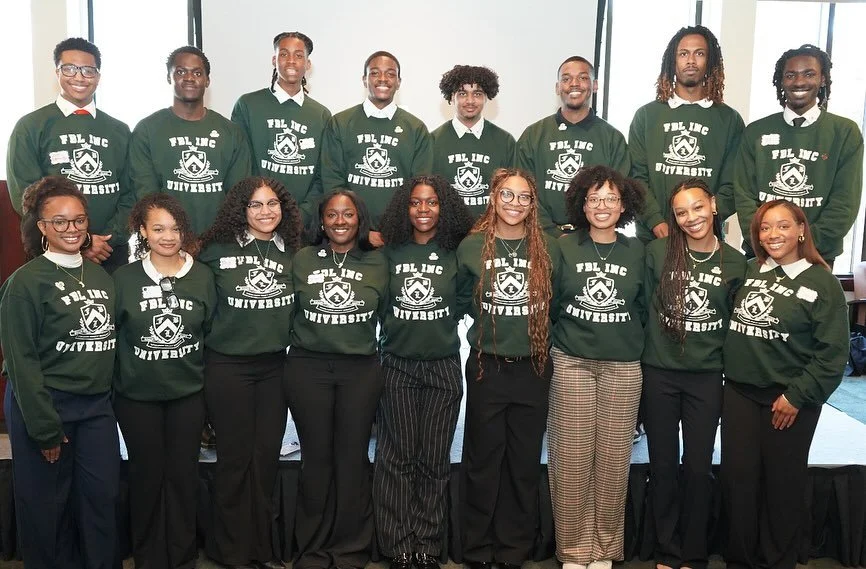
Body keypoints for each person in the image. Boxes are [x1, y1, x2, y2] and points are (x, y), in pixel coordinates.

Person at [0, 176, 119, 569]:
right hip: (46, 406)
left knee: (101, 501)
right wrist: (44, 426)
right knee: (47, 510)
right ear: (42, 227)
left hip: (96, 409)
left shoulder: (101, 276)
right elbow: (21, 362)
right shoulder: (24, 283)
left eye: (79, 220)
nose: (72, 229)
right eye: (60, 222)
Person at [722, 199, 848, 569]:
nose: (773, 234)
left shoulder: (821, 282)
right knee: (738, 484)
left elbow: (832, 354)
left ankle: (778, 560)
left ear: (801, 230)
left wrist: (797, 396)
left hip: (790, 400)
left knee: (782, 486)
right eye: (764, 228)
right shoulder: (748, 271)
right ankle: (740, 560)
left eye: (782, 226)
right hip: (741, 394)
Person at [456, 168, 560, 569]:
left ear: (533, 203)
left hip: (533, 367)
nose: (514, 204)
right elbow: (465, 300)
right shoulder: (471, 247)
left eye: (523, 197)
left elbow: (560, 299)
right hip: (488, 367)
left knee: (522, 462)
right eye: (507, 195)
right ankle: (478, 550)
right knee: (483, 462)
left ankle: (514, 549)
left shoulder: (549, 248)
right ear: (493, 198)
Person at [642, 179, 746, 569]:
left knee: (699, 467)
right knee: (663, 465)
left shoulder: (736, 262)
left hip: (706, 377)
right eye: (681, 212)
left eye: (698, 207)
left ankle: (693, 551)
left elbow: (738, 326)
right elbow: (642, 308)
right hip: (660, 373)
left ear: (714, 206)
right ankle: (667, 550)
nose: (691, 218)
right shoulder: (656, 253)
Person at [198, 176, 301, 569]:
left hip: (275, 368)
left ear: (283, 208)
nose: (265, 211)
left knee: (265, 461)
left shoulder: (293, 251)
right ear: (241, 210)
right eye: (256, 205)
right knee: (234, 462)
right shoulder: (215, 251)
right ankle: (230, 552)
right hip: (227, 367)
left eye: (272, 203)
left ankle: (262, 550)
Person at [547, 165, 646, 569]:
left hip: (623, 366)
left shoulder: (639, 251)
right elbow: (549, 305)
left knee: (612, 460)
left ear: (623, 205)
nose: (601, 206)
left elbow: (645, 307)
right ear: (580, 205)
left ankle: (604, 549)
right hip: (572, 362)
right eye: (593, 199)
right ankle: (573, 550)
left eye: (610, 199)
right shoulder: (563, 246)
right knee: (570, 459)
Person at [285, 189, 388, 569]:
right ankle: (312, 547)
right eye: (332, 214)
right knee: (316, 460)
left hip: (359, 371)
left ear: (360, 219)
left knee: (352, 459)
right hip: (307, 369)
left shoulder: (379, 261)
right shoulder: (301, 259)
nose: (340, 221)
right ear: (322, 220)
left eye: (348, 214)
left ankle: (350, 549)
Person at [374, 175, 474, 569]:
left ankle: (428, 545)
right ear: (404, 208)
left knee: (434, 460)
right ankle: (397, 544)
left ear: (443, 207)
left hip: (443, 366)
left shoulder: (456, 252)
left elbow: (466, 300)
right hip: (396, 364)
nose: (423, 210)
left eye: (431, 203)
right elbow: (378, 302)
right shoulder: (389, 253)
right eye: (415, 203)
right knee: (396, 458)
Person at [113, 192, 216, 569]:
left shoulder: (203, 276)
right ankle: (149, 557)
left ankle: (182, 555)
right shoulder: (123, 278)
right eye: (158, 228)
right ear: (143, 231)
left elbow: (210, 331)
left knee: (183, 476)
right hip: (136, 397)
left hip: (187, 395)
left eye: (174, 228)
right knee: (146, 476)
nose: (168, 236)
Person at [6, 37, 132, 271]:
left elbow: (131, 193)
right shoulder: (31, 126)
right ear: (57, 72)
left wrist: (107, 238)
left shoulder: (120, 130)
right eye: (69, 68)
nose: (79, 77)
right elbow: (25, 195)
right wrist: (80, 240)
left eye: (88, 70)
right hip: (52, 251)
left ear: (98, 77)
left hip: (109, 252)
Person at [733, 44, 864, 263]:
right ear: (781, 81)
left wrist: (803, 248)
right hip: (761, 255)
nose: (799, 82)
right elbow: (744, 197)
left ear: (822, 79)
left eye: (809, 74)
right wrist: (767, 243)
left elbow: (844, 204)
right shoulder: (756, 132)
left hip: (817, 256)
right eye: (791, 75)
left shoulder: (844, 132)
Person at [628, 25, 745, 243]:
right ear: (673, 61)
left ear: (710, 62)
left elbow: (733, 185)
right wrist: (656, 222)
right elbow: (637, 178)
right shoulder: (646, 116)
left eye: (699, 54)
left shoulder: (729, 120)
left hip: (707, 239)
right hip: (653, 239)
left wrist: (701, 223)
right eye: (683, 54)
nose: (690, 61)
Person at [130, 45, 252, 235]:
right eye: (180, 72)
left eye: (197, 72)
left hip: (219, 245)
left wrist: (211, 241)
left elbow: (237, 199)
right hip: (166, 243)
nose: (189, 78)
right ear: (169, 77)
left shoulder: (231, 133)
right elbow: (147, 198)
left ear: (207, 80)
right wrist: (174, 236)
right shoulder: (147, 130)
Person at [320, 51, 433, 246]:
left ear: (399, 82)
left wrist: (391, 232)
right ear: (364, 80)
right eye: (374, 73)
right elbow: (332, 182)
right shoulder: (340, 123)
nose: (383, 79)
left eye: (390, 74)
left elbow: (418, 189)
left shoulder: (416, 129)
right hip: (348, 237)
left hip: (398, 238)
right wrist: (360, 230)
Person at [517, 56, 629, 236]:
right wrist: (551, 231)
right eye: (566, 79)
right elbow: (522, 191)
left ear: (595, 85)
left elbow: (617, 196)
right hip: (541, 237)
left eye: (583, 78)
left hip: (592, 239)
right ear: (557, 87)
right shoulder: (533, 136)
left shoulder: (613, 139)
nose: (574, 84)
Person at [232, 31, 331, 227]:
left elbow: (322, 176)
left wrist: (301, 214)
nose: (291, 61)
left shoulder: (321, 115)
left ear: (308, 64)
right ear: (274, 60)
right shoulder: (248, 105)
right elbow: (239, 165)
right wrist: (261, 209)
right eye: (284, 54)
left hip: (300, 224)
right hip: (256, 219)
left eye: (299, 55)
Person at [431, 65, 516, 219]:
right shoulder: (432, 141)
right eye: (462, 93)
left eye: (477, 93)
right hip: (446, 233)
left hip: (491, 232)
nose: (470, 101)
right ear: (451, 97)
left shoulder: (505, 141)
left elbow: (512, 193)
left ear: (486, 97)